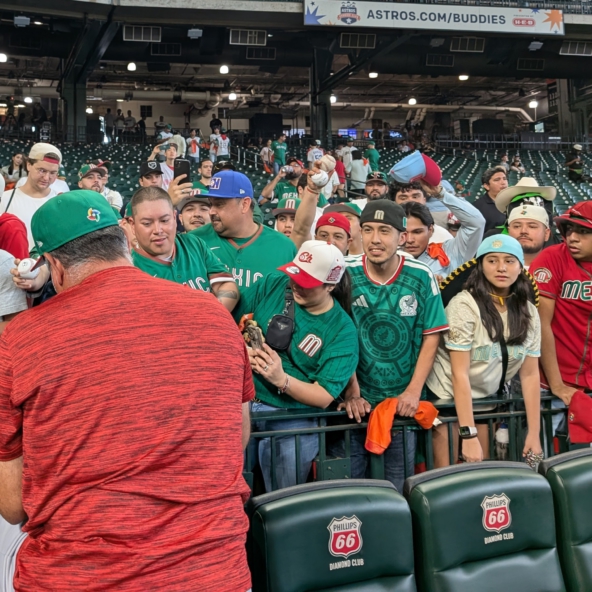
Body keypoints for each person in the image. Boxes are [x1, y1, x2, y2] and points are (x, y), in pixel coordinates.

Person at [0, 190, 253, 591]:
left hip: (80, 574)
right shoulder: (213, 315)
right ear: (125, 242)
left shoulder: (21, 339)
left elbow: (13, 504)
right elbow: (234, 439)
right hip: (213, 571)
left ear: (54, 267)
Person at [336, 200, 448, 492]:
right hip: (353, 406)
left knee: (397, 487)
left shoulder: (421, 275)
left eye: (385, 231)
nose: (375, 239)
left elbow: (431, 335)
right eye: (368, 230)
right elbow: (339, 336)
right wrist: (352, 391)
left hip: (402, 406)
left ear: (402, 237)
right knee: (349, 488)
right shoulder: (344, 272)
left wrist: (412, 391)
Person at [241, 240, 358, 491]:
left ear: (330, 285)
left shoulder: (342, 330)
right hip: (244, 403)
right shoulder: (274, 283)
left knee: (282, 497)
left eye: (306, 283)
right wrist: (243, 350)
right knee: (234, 490)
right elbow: (232, 321)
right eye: (294, 275)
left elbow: (324, 395)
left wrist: (281, 379)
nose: (295, 285)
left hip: (293, 418)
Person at [427, 235, 543, 466]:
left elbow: (530, 375)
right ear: (480, 266)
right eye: (492, 260)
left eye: (509, 261)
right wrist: (468, 435)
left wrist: (534, 433)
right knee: (447, 476)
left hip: (486, 399)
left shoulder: (528, 310)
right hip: (447, 398)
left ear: (521, 267)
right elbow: (459, 374)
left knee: (482, 472)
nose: (501, 267)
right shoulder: (463, 305)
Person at [531, 202, 592, 434]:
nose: (572, 238)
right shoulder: (552, 258)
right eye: (568, 230)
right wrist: (557, 384)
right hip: (550, 382)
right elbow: (541, 324)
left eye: (583, 231)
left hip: (588, 380)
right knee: (539, 457)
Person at [192, 170, 296, 301]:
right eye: (211, 204)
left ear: (245, 204)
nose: (211, 211)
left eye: (219, 204)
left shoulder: (284, 247)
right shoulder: (194, 240)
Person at [128, 187, 238, 309]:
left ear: (175, 218)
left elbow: (226, 284)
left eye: (164, 220)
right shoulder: (129, 267)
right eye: (147, 223)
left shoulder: (194, 244)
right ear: (133, 225)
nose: (158, 230)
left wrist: (212, 313)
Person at [402, 183, 485, 279]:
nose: (409, 239)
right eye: (403, 233)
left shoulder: (451, 252)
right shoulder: (386, 258)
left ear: (430, 230)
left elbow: (477, 223)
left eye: (417, 232)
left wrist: (441, 194)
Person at [0, 143, 61, 250]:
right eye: (42, 170)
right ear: (28, 165)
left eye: (52, 173)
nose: (46, 178)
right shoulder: (5, 199)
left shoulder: (61, 202)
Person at [506, 204, 551, 270]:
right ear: (508, 232)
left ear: (546, 234)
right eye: (517, 226)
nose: (523, 231)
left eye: (532, 226)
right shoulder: (495, 267)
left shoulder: (557, 267)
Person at [473, 166, 509, 233]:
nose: (503, 182)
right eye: (497, 180)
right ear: (486, 186)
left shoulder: (514, 203)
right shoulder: (477, 207)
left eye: (504, 179)